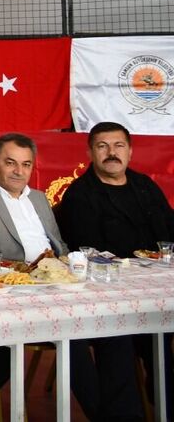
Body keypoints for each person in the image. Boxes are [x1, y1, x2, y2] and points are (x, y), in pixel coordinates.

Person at [0, 132, 105, 421]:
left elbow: (59, 246)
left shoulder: (39, 199)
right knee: (2, 356)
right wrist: (21, 274)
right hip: (9, 294)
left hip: (55, 289)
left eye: (26, 164)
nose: (19, 171)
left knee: (85, 340)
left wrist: (65, 264)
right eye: (11, 163)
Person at [56, 121, 172, 421]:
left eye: (118, 146)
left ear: (130, 151)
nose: (112, 152)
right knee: (131, 339)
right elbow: (86, 255)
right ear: (90, 153)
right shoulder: (79, 196)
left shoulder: (145, 186)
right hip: (109, 298)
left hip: (158, 290)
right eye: (102, 146)